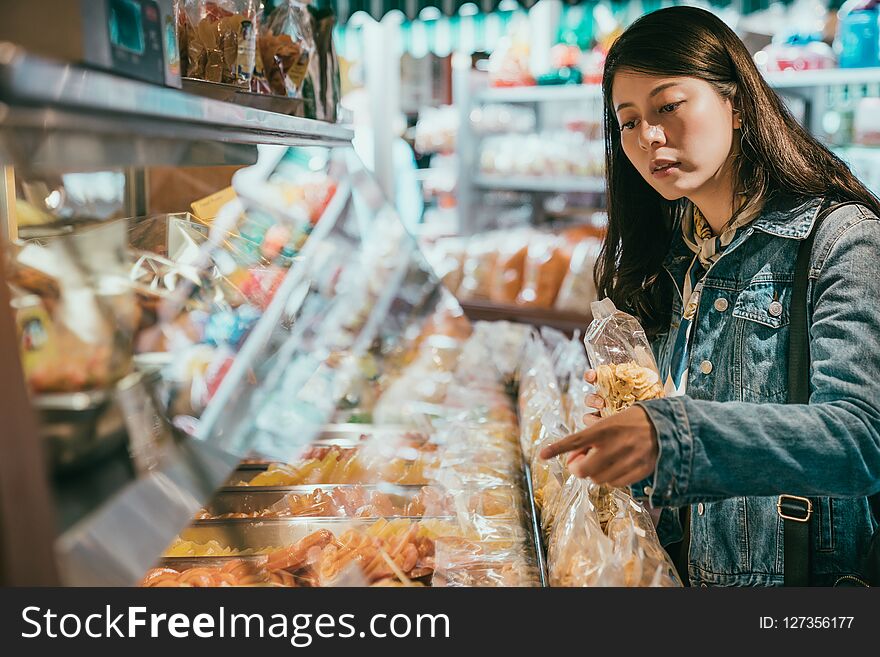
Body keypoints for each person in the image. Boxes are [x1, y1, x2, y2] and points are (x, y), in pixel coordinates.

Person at [541, 6, 880, 587]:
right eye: (627, 121)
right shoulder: (671, 261)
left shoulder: (843, 240)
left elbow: (859, 438)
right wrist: (631, 434)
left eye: (669, 106)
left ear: (738, 104)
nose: (648, 136)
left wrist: (673, 436)